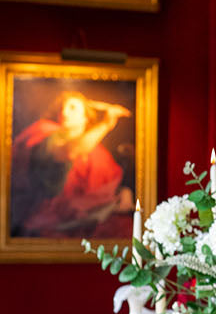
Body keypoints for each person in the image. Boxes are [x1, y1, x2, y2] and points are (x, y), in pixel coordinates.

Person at [10, 90, 134, 239]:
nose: (64, 112)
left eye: (72, 107)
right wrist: (106, 124)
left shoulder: (98, 152)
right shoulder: (45, 132)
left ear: (85, 117)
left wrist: (125, 192)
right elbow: (70, 151)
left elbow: (105, 186)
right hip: (49, 220)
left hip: (88, 222)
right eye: (62, 107)